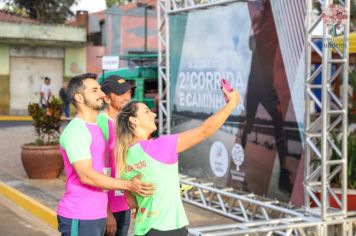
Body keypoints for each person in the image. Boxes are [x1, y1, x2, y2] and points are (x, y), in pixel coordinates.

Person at [115, 87, 240, 235]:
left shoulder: (123, 156)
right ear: (134, 121)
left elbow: (132, 202)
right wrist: (232, 104)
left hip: (146, 229)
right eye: (147, 112)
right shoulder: (159, 146)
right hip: (169, 229)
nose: (154, 113)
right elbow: (205, 130)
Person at [57, 73, 154, 236]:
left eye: (100, 90)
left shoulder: (93, 127)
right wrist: (128, 185)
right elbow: (86, 175)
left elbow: (105, 170)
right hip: (80, 214)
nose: (102, 94)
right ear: (79, 98)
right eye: (94, 90)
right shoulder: (76, 131)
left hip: (97, 213)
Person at [238, 0, 292, 193]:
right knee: (250, 126)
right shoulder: (260, 33)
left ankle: (284, 173)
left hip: (262, 88)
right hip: (256, 87)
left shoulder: (268, 29)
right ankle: (242, 170)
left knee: (275, 126)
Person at [97, 75, 135, 236]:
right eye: (120, 93)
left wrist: (134, 201)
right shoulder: (100, 123)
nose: (127, 97)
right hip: (107, 207)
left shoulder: (126, 123)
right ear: (106, 98)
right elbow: (97, 170)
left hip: (124, 202)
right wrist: (106, 211)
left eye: (128, 92)